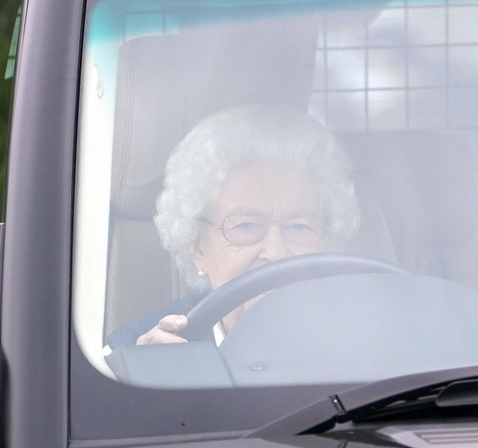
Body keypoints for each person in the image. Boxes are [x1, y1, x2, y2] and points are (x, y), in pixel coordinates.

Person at [107, 104, 360, 348]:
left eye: (299, 227)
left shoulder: (369, 343)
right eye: (246, 226)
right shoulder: (131, 354)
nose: (276, 252)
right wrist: (146, 383)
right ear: (198, 247)